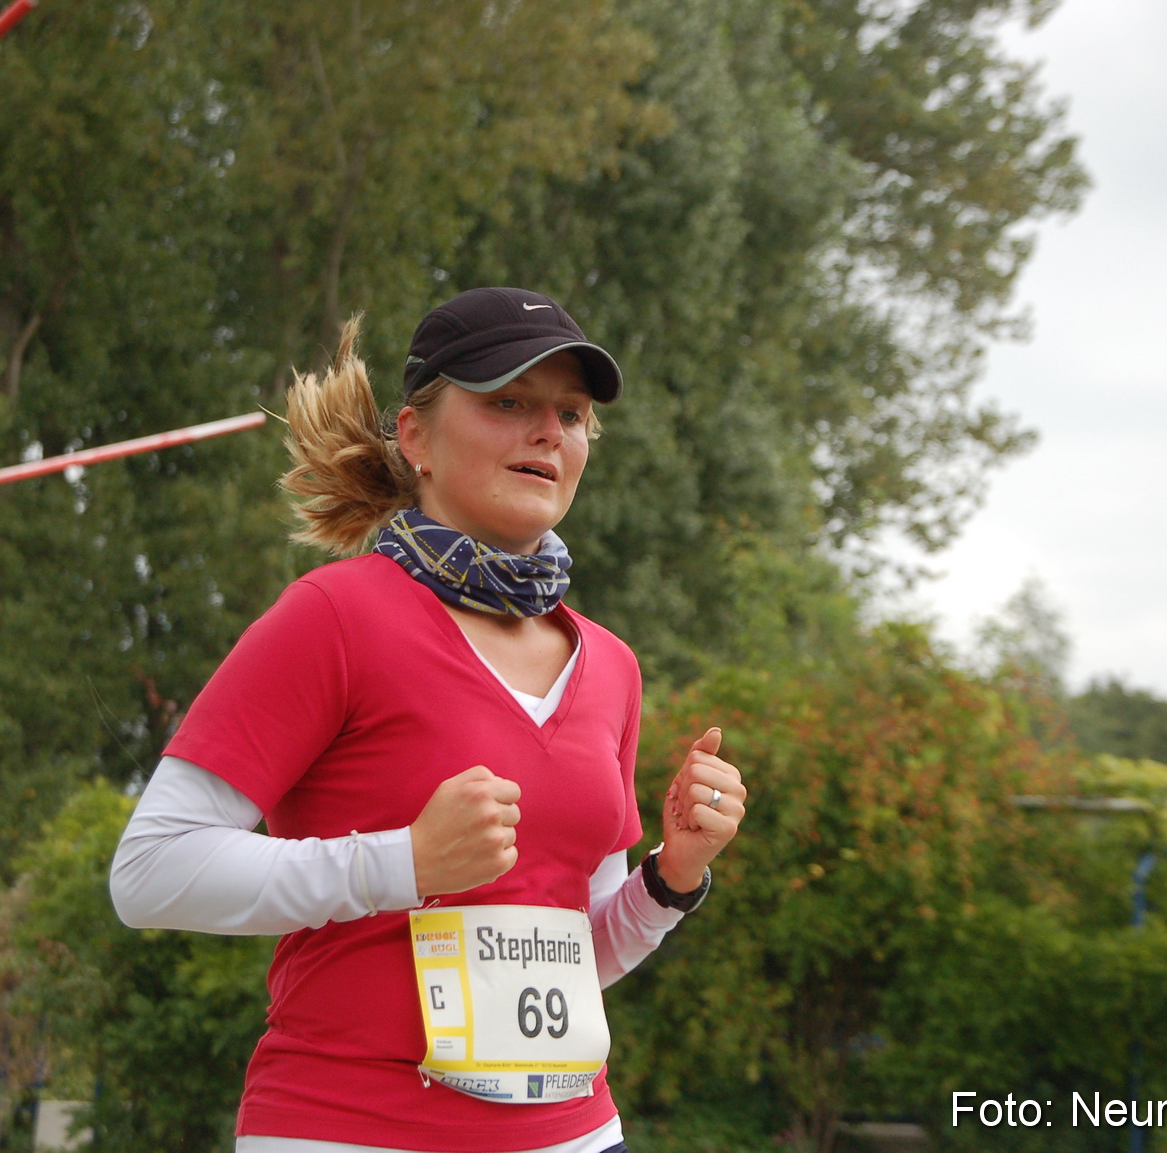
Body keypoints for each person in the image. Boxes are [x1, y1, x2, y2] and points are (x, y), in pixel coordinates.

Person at [109, 287, 748, 1153]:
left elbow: (572, 950)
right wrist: (401, 862)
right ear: (416, 437)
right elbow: (149, 871)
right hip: (354, 1131)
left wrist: (671, 877)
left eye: (571, 412)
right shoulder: (333, 615)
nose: (548, 432)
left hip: (578, 1134)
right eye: (508, 401)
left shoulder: (614, 666)